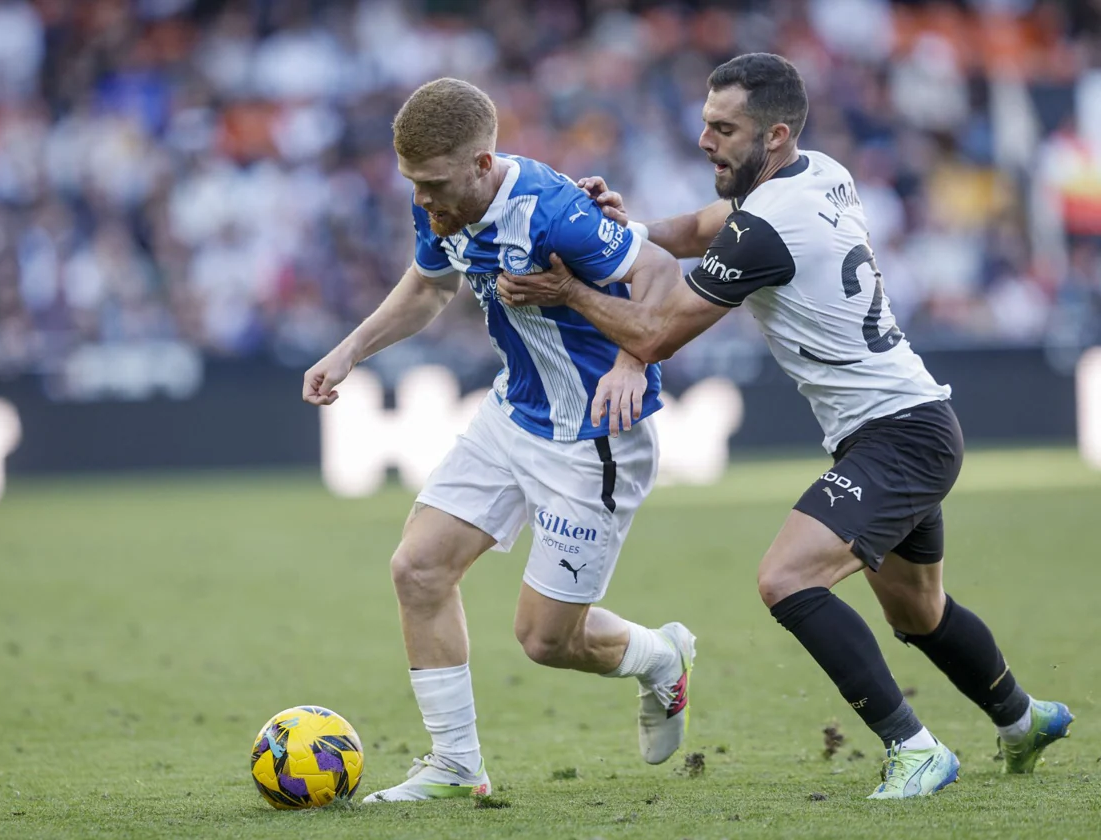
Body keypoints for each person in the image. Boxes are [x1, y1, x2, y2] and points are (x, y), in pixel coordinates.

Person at [497, 53, 1073, 800]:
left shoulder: (770, 228)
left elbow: (655, 333)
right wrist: (631, 232)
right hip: (911, 422)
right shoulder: (819, 172)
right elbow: (714, 225)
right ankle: (1023, 718)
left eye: (723, 128)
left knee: (785, 578)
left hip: (899, 434)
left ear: (772, 135)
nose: (705, 140)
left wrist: (571, 288)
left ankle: (914, 747)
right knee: (917, 609)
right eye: (705, 123)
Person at [303, 78, 696, 803]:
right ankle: (455, 764)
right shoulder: (447, 204)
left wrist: (632, 361)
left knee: (547, 641)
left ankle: (662, 657)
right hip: (512, 415)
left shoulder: (555, 213)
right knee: (417, 570)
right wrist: (350, 350)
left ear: (482, 163)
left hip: (592, 439)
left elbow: (662, 273)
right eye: (413, 184)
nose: (423, 200)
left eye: (434, 184)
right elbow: (428, 287)